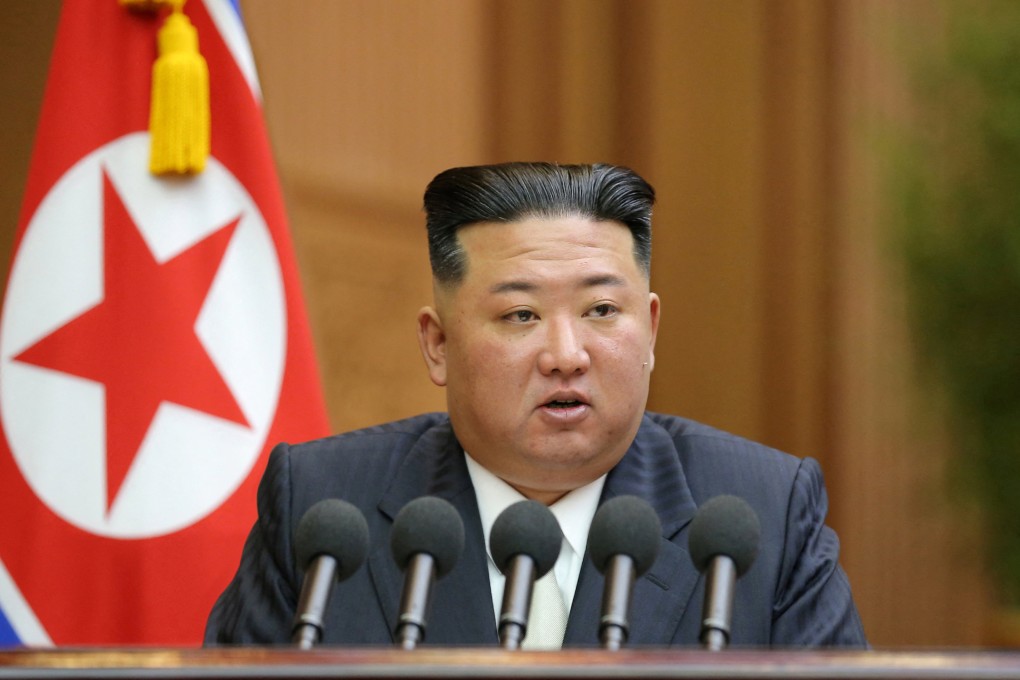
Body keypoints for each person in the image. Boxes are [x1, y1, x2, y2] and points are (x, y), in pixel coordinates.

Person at [204, 162, 867, 647]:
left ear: (652, 331)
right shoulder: (322, 510)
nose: (566, 354)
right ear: (438, 345)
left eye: (603, 310)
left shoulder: (762, 515)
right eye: (521, 314)